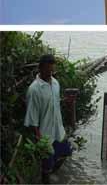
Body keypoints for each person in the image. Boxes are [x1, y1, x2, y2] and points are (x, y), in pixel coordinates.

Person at [24, 54, 72, 184]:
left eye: (52, 70)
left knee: (66, 152)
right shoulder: (34, 90)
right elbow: (32, 115)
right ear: (40, 68)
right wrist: (38, 136)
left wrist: (65, 101)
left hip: (58, 130)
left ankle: (51, 172)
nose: (49, 73)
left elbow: (54, 103)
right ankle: (46, 178)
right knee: (46, 167)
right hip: (45, 135)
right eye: (47, 70)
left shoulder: (55, 83)